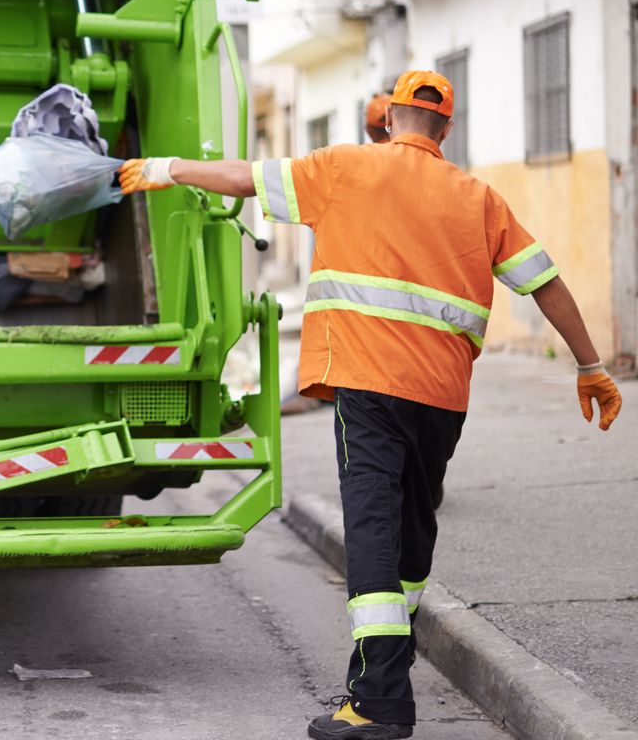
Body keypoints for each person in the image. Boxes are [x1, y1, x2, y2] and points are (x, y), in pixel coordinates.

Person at [119, 70, 622, 740]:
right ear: (445, 127)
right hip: (443, 395)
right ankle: (388, 664)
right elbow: (545, 282)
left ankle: (381, 701)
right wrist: (590, 365)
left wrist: (166, 167)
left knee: (373, 530)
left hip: (368, 382)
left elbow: (244, 178)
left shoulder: (345, 167)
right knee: (414, 524)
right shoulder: (479, 197)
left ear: (387, 119)